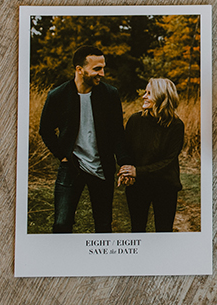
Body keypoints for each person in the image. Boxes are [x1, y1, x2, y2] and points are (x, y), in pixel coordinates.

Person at [39, 46, 134, 233]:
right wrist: (62, 156)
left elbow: (117, 133)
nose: (103, 73)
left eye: (103, 67)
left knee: (103, 224)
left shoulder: (110, 95)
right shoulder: (58, 96)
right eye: (97, 69)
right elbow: (46, 130)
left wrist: (124, 163)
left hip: (101, 167)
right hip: (71, 167)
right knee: (61, 224)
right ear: (79, 69)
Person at [119, 78, 185, 232]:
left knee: (163, 231)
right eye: (145, 92)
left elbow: (168, 161)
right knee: (137, 230)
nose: (144, 96)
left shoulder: (176, 125)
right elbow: (125, 150)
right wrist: (127, 171)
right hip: (138, 186)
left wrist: (137, 171)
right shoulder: (135, 120)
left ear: (162, 97)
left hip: (165, 186)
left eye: (149, 93)